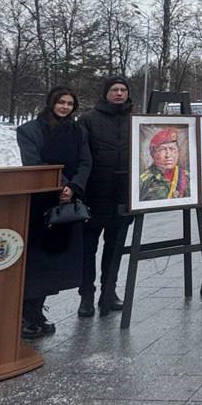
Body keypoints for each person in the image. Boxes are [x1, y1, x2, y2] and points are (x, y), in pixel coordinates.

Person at [16, 87, 92, 338]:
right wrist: (62, 185)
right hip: (41, 202)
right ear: (51, 103)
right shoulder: (29, 130)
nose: (65, 107)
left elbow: (85, 161)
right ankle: (26, 313)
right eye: (61, 102)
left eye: (70, 103)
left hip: (67, 204)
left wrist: (74, 186)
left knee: (55, 260)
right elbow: (34, 163)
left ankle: (37, 311)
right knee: (36, 260)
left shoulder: (77, 131)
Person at [77, 75, 132, 318]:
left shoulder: (135, 120)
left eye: (123, 89)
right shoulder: (88, 120)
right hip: (94, 194)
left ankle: (109, 292)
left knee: (115, 248)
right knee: (88, 249)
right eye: (114, 89)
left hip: (123, 196)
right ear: (105, 93)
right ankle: (86, 296)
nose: (119, 93)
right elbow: (81, 156)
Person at [139, 127, 189, 200]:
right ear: (153, 154)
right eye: (162, 149)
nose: (168, 155)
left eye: (172, 149)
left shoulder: (187, 176)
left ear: (178, 152)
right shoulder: (145, 181)